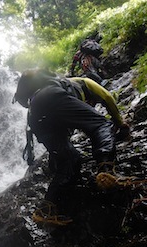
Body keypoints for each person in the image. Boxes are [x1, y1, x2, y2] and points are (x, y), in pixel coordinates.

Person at [13, 69, 130, 223]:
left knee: (70, 159)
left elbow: (60, 140)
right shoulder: (83, 82)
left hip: (35, 115)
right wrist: (120, 123)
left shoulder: (45, 93)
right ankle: (106, 169)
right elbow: (107, 97)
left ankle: (45, 209)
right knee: (102, 124)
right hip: (52, 98)